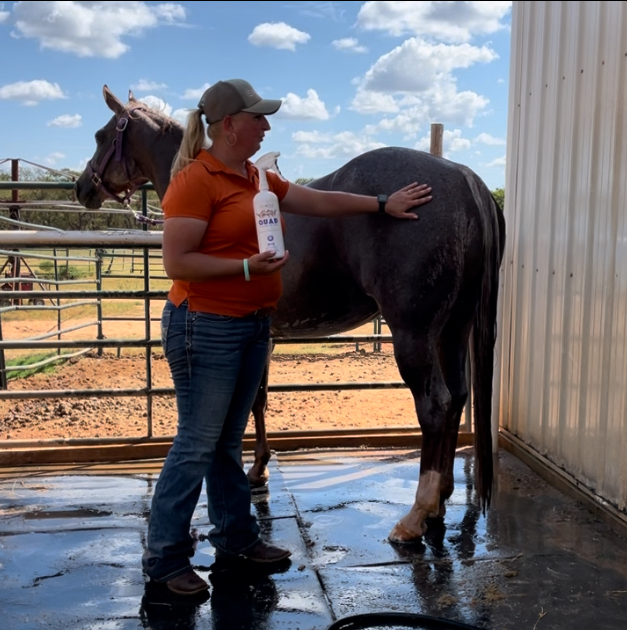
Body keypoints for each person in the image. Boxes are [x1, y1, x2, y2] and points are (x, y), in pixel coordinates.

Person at [145, 78, 433, 596]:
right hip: (204, 325)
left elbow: (314, 201)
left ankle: (236, 537)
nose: (267, 125)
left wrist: (381, 202)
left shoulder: (256, 175)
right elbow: (177, 261)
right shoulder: (194, 180)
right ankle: (164, 558)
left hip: (251, 324)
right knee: (196, 443)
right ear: (229, 125)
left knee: (225, 442)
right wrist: (248, 268)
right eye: (258, 117)